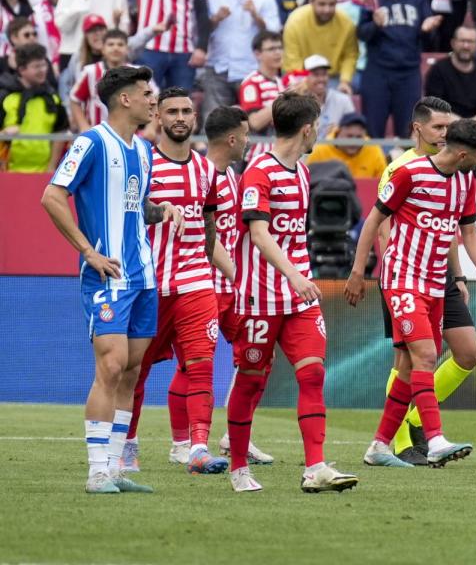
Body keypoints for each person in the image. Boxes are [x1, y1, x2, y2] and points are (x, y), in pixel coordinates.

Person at [40, 65, 181, 494]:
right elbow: (52, 195)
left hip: (143, 275)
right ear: (125, 99)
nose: (152, 100)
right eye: (146, 92)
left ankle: (117, 467)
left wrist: (161, 210)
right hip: (108, 274)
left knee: (133, 370)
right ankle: (97, 471)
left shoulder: (141, 149)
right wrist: (88, 250)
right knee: (111, 365)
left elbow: (133, 205)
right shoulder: (91, 142)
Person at [344, 118, 476, 468]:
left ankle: (379, 445)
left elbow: (469, 233)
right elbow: (373, 220)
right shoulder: (409, 174)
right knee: (426, 356)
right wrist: (357, 271)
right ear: (462, 154)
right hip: (402, 278)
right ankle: (435, 438)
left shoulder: (465, 180)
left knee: (405, 367)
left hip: (434, 283)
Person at [226, 91, 360, 493]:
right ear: (307, 128)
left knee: (314, 373)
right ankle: (237, 468)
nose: (318, 130)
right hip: (260, 298)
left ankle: (315, 467)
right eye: (317, 124)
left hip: (298, 298)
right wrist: (295, 275)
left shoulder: (302, 170)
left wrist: (299, 279)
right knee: (251, 382)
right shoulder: (259, 170)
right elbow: (258, 231)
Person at [119, 87, 230, 475]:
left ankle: (198, 447)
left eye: (186, 111)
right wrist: (161, 211)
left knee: (201, 364)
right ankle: (126, 445)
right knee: (135, 370)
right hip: (149, 283)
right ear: (158, 118)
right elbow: (131, 212)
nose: (180, 118)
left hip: (196, 282)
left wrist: (221, 270)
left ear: (195, 119)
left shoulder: (206, 170)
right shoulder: (143, 162)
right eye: (172, 112)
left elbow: (210, 226)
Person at [199, 105, 276, 465]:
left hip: (233, 285)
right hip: (204, 284)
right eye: (245, 134)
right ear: (232, 137)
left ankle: (233, 437)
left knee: (258, 355)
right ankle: (185, 443)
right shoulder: (201, 174)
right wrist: (238, 274)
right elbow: (208, 237)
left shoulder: (233, 176)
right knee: (193, 362)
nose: (248, 141)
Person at [357, 0, 442, 138]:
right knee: (372, 132)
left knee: (408, 132)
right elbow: (362, 34)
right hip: (377, 72)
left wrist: (427, 30)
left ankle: (403, 162)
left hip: (408, 73)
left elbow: (430, 39)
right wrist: (375, 25)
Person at [200, 0, 282, 123]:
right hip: (218, 68)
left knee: (251, 126)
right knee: (214, 124)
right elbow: (198, 30)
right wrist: (216, 18)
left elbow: (274, 34)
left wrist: (256, 16)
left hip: (251, 73)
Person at [0, 42, 68, 172]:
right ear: (21, 70)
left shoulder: (52, 97)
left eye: (43, 64)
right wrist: (3, 134)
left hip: (42, 174)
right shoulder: (4, 96)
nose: (43, 70)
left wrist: (51, 168)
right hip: (7, 174)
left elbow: (60, 132)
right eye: (36, 66)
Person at [282, 0, 357, 93]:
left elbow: (350, 56)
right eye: (322, 4)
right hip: (301, 76)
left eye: (332, 4)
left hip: (332, 77)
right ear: (311, 2)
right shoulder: (295, 22)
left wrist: (345, 81)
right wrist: (309, 83)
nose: (327, 9)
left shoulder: (346, 23)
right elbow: (293, 61)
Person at [136, 0, 212, 90]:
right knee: (145, 96)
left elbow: (202, 14)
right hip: (150, 48)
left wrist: (202, 48)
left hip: (184, 52)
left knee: (181, 100)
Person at [424, 26, 476, 121]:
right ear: (453, 43)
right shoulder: (438, 70)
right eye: (462, 41)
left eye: (470, 42)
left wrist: (473, 123)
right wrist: (461, 124)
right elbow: (434, 106)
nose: (466, 46)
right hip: (446, 122)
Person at [70, 29, 131, 132]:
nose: (115, 48)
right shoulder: (90, 72)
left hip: (128, 136)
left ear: (127, 49)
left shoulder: (137, 73)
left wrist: (151, 128)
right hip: (97, 135)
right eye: (111, 44)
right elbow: (74, 99)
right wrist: (83, 126)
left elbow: (155, 98)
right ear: (103, 49)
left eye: (120, 45)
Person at [238, 30, 285, 162]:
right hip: (258, 156)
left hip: (280, 153)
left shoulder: (280, 82)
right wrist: (284, 100)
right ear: (258, 54)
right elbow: (254, 122)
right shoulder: (251, 83)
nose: (278, 52)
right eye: (271, 49)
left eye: (280, 48)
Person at [53, 0, 130, 70]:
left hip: (107, 56)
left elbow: (124, 30)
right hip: (72, 53)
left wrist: (116, 26)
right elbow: (61, 25)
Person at [308, 111, 388, 179]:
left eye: (359, 137)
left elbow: (384, 184)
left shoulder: (374, 149)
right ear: (339, 132)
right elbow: (308, 181)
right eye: (349, 136)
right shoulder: (321, 150)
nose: (354, 142)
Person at [296, 54, 355, 140]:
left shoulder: (343, 100)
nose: (321, 79)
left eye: (324, 74)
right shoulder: (296, 102)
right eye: (316, 75)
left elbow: (354, 130)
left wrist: (339, 131)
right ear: (305, 77)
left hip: (334, 151)